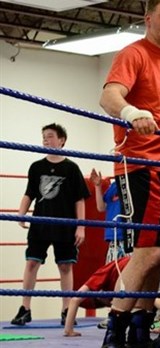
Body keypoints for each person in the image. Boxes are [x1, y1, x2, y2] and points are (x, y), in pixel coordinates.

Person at [98, 0, 160, 346]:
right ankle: (115, 328)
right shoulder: (132, 54)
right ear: (148, 19)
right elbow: (109, 96)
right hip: (140, 164)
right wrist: (132, 111)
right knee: (147, 251)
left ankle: (140, 326)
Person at [11, 123, 90, 327]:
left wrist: (81, 227)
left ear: (62, 140)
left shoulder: (72, 168)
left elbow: (79, 200)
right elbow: (30, 193)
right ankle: (25, 308)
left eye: (50, 136)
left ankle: (66, 310)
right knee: (31, 263)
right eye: (43, 137)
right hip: (40, 222)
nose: (46, 140)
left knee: (65, 266)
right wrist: (21, 214)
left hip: (65, 224)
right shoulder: (36, 167)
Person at [62, 256, 160, 337]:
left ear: (99, 294)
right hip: (155, 259)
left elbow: (75, 299)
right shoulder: (117, 287)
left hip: (137, 265)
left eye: (108, 303)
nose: (111, 303)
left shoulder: (100, 277)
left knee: (154, 297)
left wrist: (69, 330)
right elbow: (159, 303)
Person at [89, 169, 127, 262]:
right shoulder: (114, 186)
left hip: (128, 236)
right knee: (112, 271)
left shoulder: (134, 184)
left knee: (130, 271)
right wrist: (97, 186)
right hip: (113, 238)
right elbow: (101, 207)